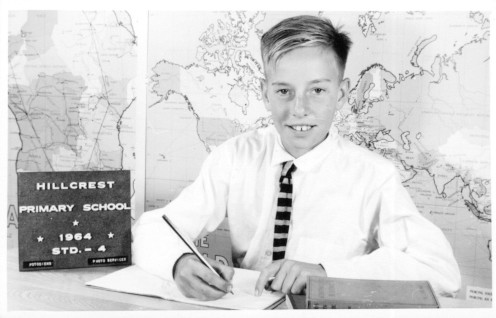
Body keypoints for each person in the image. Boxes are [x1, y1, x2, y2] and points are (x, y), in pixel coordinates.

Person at [132, 15, 461, 301]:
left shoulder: (375, 176)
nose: (299, 108)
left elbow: (440, 270)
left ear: (342, 93)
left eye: (317, 90)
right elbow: (154, 227)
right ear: (265, 93)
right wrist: (179, 263)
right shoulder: (236, 156)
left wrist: (325, 272)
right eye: (283, 91)